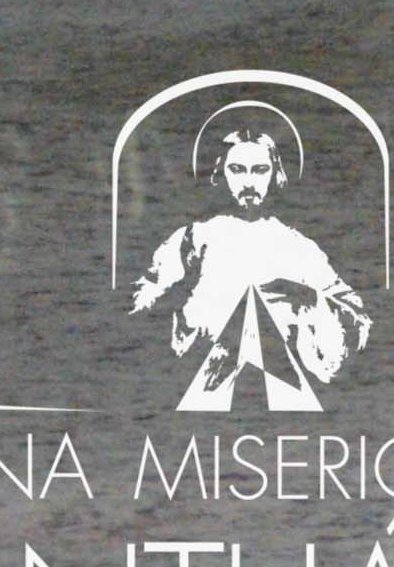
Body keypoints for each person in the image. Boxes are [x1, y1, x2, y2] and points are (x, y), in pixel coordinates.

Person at [132, 106, 367, 411]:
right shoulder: (193, 238)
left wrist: (309, 299)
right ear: (220, 173)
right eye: (237, 169)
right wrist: (185, 316)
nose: (248, 181)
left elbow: (357, 320)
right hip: (200, 384)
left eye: (259, 170)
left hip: (284, 394)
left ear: (275, 174)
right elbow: (140, 307)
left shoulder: (300, 247)